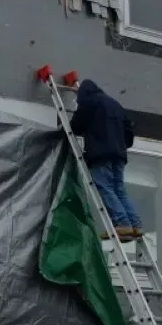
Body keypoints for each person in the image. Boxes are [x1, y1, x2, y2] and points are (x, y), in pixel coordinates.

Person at [69, 78, 142, 242]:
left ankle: (122, 223)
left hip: (100, 154)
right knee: (119, 189)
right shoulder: (115, 104)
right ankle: (135, 225)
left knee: (105, 187)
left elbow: (76, 126)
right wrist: (119, 145)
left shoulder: (89, 102)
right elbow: (129, 134)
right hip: (119, 155)